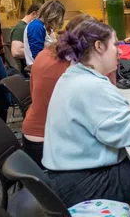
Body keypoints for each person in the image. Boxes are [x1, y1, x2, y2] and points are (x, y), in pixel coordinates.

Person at [42, 19, 130, 207]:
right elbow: (123, 132)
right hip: (83, 184)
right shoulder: (91, 85)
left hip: (68, 177)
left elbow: (104, 118)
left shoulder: (76, 75)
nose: (120, 51)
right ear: (99, 46)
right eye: (116, 44)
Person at [22, 14, 115, 167]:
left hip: (32, 137)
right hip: (50, 146)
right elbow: (110, 105)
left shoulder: (45, 53)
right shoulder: (79, 65)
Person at [24, 0, 65, 66]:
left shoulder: (45, 26)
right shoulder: (36, 26)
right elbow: (37, 55)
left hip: (47, 64)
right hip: (40, 67)